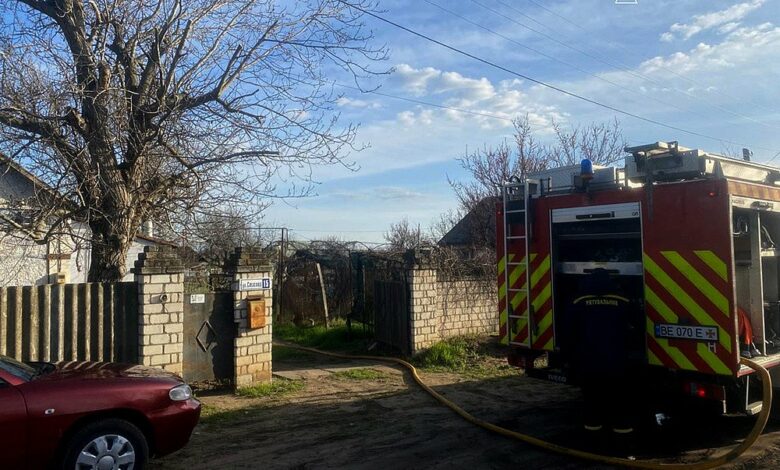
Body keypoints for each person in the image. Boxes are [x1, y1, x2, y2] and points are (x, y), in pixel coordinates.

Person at [567, 269, 636, 436]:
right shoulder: (623, 301)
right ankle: (622, 432)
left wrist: (571, 356)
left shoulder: (578, 302)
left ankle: (593, 433)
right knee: (618, 396)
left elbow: (569, 331)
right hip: (616, 360)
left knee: (591, 397)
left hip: (589, 361)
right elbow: (634, 326)